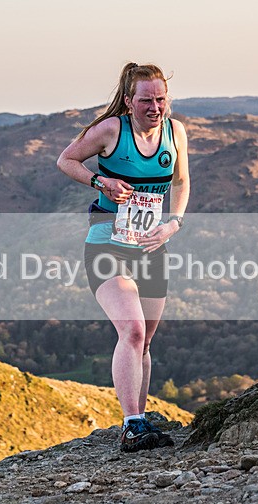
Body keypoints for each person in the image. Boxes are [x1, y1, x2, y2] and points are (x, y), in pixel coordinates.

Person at [57, 62, 190, 452]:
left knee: (144, 342)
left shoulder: (175, 132)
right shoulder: (111, 130)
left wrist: (173, 223)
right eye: (146, 100)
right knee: (131, 330)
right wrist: (101, 181)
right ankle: (131, 425)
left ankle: (141, 420)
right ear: (130, 101)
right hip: (107, 244)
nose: (155, 107)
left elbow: (182, 181)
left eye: (161, 98)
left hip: (150, 247)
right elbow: (66, 160)